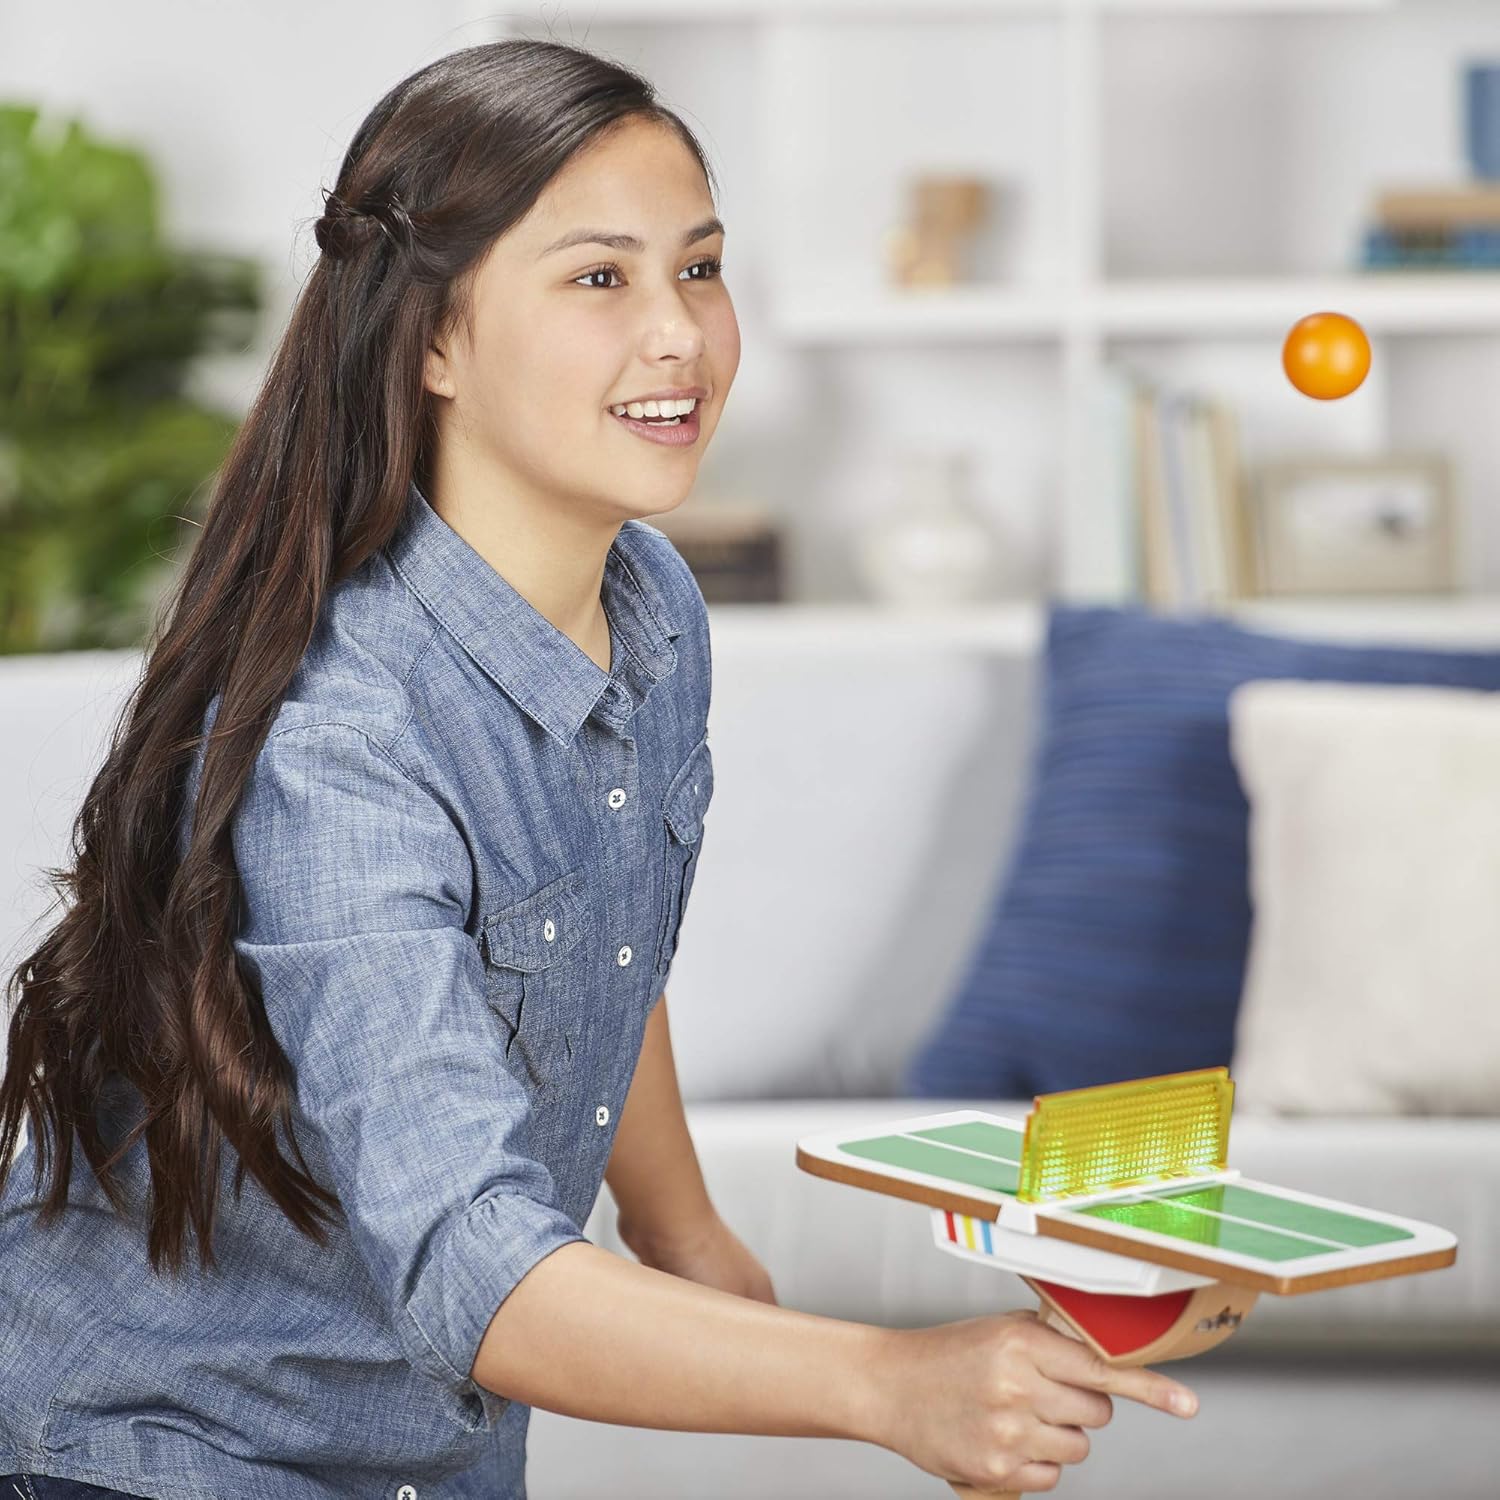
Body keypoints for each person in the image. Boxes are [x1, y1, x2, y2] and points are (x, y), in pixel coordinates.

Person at [0, 37, 1198, 1500]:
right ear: (433, 339)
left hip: (428, 1455)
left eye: (699, 268)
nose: (679, 334)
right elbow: (476, 1265)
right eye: (599, 279)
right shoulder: (341, 742)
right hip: (154, 1455)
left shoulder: (651, 605)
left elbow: (601, 934)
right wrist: (887, 1382)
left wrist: (682, 1229)